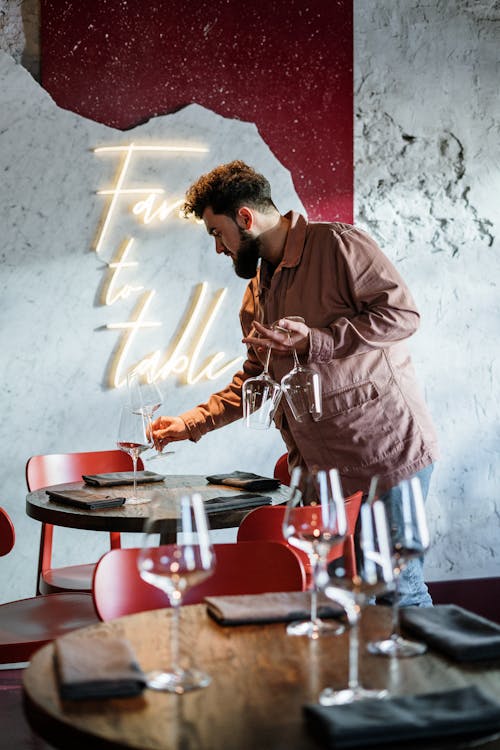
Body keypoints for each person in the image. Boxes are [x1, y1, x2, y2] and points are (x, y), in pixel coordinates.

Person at [152, 160, 439, 607]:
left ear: (245, 218)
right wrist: (190, 423)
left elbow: (402, 316)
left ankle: (434, 679)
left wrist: (318, 341)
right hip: (322, 474)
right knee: (340, 599)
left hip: (385, 455)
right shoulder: (255, 294)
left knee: (396, 594)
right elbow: (257, 377)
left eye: (216, 233)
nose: (217, 249)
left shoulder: (340, 245)